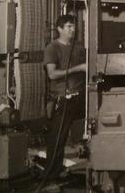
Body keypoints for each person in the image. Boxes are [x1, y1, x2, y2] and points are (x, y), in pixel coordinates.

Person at [42, 14, 87, 180]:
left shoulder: (79, 47)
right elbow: (52, 75)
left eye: (74, 26)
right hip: (62, 98)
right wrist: (78, 68)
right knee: (57, 139)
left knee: (86, 134)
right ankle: (50, 177)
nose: (73, 29)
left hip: (80, 98)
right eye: (69, 26)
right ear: (59, 29)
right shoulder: (52, 48)